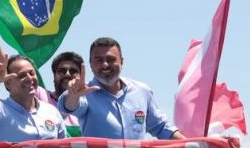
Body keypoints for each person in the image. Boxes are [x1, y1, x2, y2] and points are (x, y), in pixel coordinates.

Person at [58, 37, 186, 140]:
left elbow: (160, 127)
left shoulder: (142, 91)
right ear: (90, 64)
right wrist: (73, 96)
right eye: (98, 60)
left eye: (111, 59)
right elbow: (70, 106)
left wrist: (193, 147)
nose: (105, 65)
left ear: (122, 61)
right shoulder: (85, 93)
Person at [0, 15, 83, 135]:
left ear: (81, 75)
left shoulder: (83, 106)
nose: (67, 75)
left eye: (73, 71)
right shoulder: (41, 96)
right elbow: (5, 71)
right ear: (53, 75)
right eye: (62, 71)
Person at [0, 53, 67, 142]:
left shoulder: (52, 112)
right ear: (8, 83)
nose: (29, 78)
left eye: (32, 73)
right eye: (22, 76)